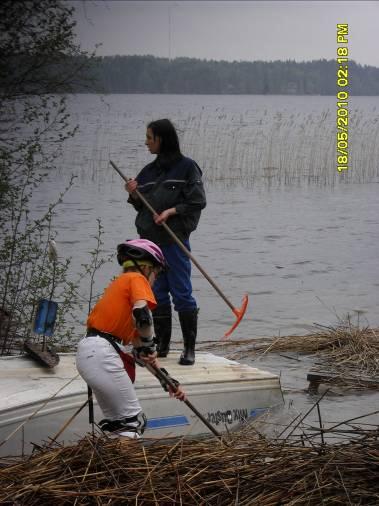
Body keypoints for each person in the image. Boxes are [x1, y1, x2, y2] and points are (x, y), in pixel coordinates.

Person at [76, 239, 186, 439]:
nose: (155, 280)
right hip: (101, 353)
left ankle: (110, 466)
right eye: (157, 273)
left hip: (91, 352)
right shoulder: (136, 279)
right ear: (146, 268)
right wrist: (150, 344)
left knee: (119, 426)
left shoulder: (121, 287)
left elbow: (142, 353)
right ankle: (125, 469)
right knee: (132, 423)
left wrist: (168, 381)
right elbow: (142, 316)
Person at [126, 119, 206, 366]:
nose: (146, 142)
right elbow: (141, 205)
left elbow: (197, 201)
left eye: (150, 137)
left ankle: (189, 349)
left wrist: (171, 211)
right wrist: (133, 193)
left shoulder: (187, 167)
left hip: (174, 241)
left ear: (162, 139)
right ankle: (161, 345)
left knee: (182, 292)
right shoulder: (148, 172)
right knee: (156, 293)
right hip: (150, 244)